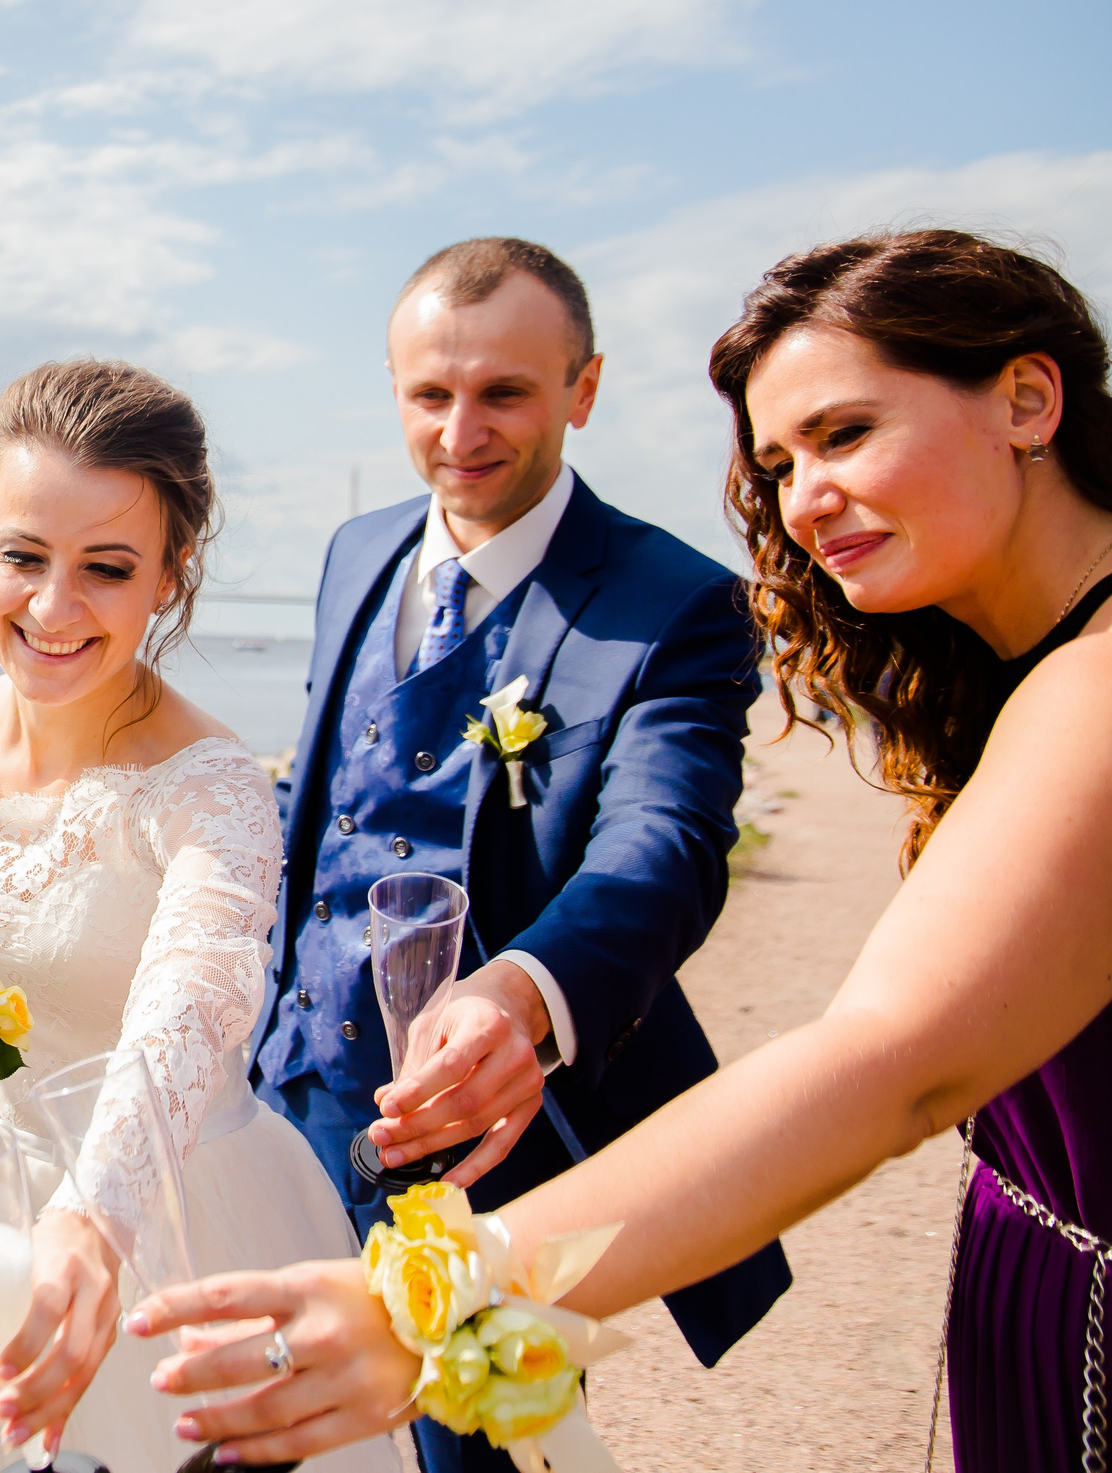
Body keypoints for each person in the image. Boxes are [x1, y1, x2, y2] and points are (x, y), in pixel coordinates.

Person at [133, 230, 1112, 1471]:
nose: (803, 501)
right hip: (1060, 1285)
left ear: (1026, 400)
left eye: (846, 435)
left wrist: (432, 1302)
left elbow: (884, 1060)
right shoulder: (1077, 649)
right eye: (778, 461)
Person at [0, 360, 388, 1473]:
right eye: (23, 557)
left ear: (169, 577)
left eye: (106, 569)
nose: (51, 608)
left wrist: (97, 1219)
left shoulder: (212, 784)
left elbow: (195, 1004)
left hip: (165, 1230)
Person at [248, 237, 788, 1470]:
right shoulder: (354, 552)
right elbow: (319, 801)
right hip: (290, 1093)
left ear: (582, 390)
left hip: (494, 1133)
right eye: (429, 395)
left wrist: (522, 996)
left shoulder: (675, 603)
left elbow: (665, 846)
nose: (459, 429)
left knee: (470, 1448)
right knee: (288, 1423)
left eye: (504, 391)